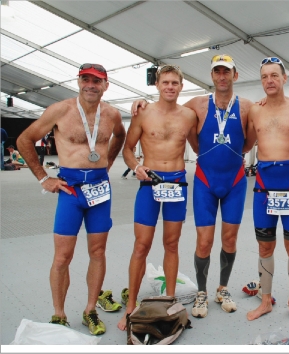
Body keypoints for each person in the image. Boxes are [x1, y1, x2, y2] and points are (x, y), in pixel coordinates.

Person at [131, 54, 254, 319]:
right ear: (211, 76)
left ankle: (222, 288)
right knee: (204, 241)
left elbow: (249, 142)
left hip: (234, 180)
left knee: (230, 239)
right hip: (205, 180)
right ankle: (201, 292)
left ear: (235, 75)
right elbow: (166, 106)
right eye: (217, 72)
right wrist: (141, 101)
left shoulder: (247, 107)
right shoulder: (196, 105)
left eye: (226, 72)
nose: (222, 76)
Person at [16, 63, 126, 335]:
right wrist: (44, 177)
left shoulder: (111, 114)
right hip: (70, 190)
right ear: (78, 82)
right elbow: (24, 140)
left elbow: (120, 136)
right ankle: (59, 314)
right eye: (85, 79)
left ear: (105, 85)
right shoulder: (60, 110)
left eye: (97, 81)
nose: (91, 84)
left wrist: (108, 161)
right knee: (62, 257)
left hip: (100, 190)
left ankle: (90, 309)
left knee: (98, 252)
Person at [117, 65, 197, 330]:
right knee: (141, 245)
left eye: (175, 82)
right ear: (158, 85)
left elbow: (201, 143)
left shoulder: (189, 115)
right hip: (149, 184)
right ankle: (131, 307)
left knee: (171, 244)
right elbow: (127, 149)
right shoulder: (143, 112)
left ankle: (170, 299)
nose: (170, 87)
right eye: (166, 82)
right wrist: (136, 166)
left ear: (181, 86)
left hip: (176, 183)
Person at [244, 57, 289, 324]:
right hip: (264, 188)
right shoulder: (254, 111)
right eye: (264, 77)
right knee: (265, 247)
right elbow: (244, 144)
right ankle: (265, 300)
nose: (269, 81)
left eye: (274, 75)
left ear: (285, 78)